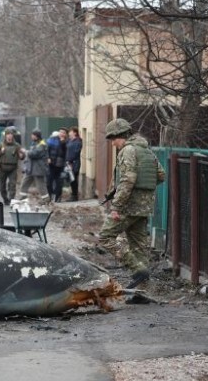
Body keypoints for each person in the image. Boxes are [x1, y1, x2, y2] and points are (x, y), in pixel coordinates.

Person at [98, 118, 165, 289]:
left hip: (128, 206)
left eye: (114, 139)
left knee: (106, 236)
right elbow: (160, 175)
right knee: (139, 247)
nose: (113, 144)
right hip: (144, 206)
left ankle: (137, 269)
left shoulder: (128, 150)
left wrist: (117, 206)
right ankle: (142, 291)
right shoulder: (147, 151)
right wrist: (143, 192)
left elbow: (128, 180)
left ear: (122, 136)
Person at [0, 129, 25, 205]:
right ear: (5, 135)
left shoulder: (16, 145)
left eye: (11, 134)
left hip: (13, 168)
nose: (10, 136)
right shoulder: (0, 145)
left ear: (13, 136)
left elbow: (22, 155)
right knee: (2, 185)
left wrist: (21, 155)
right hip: (3, 167)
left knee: (12, 185)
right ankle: (5, 199)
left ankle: (11, 200)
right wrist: (1, 152)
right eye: (8, 134)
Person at [18, 129, 49, 202]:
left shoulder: (42, 144)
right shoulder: (34, 143)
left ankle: (46, 199)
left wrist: (26, 152)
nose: (31, 136)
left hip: (38, 168)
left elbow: (34, 154)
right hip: (31, 168)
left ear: (36, 136)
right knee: (25, 182)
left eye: (33, 135)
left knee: (40, 185)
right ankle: (23, 197)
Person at [46, 129, 68, 202]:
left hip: (60, 165)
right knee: (49, 182)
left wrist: (62, 143)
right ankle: (50, 195)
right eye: (60, 132)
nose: (61, 134)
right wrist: (48, 157)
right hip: (51, 164)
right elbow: (47, 149)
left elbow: (66, 152)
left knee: (59, 183)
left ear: (65, 135)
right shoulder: (53, 140)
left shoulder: (66, 142)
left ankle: (57, 196)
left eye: (63, 133)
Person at [66, 127, 83, 201]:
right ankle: (73, 194)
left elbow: (76, 153)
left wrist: (70, 160)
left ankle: (74, 196)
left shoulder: (78, 142)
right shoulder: (69, 141)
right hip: (69, 163)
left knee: (74, 180)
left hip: (74, 163)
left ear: (75, 133)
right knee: (71, 179)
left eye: (71, 131)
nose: (69, 133)